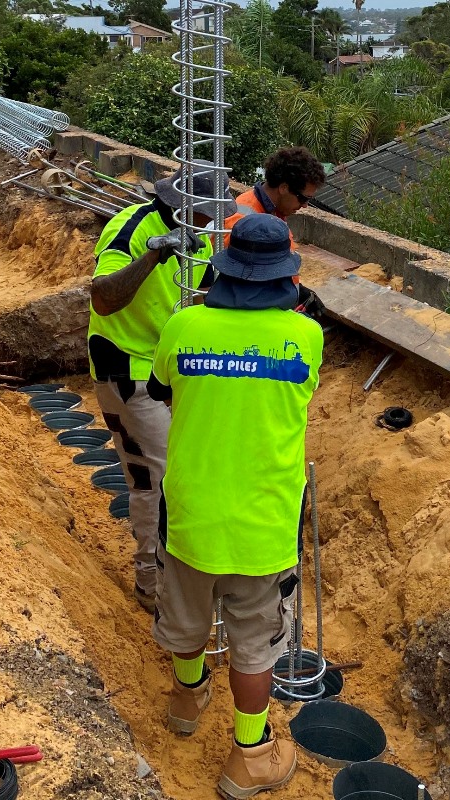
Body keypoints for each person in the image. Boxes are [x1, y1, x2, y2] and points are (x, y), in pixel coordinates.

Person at [147, 214, 324, 799]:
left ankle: (187, 699)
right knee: (254, 643)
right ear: (284, 277)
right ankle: (249, 754)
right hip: (262, 523)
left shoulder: (182, 326)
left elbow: (162, 391)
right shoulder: (304, 338)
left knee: (187, 617)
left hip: (192, 512)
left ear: (224, 267)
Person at [89, 160, 236, 613]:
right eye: (204, 213)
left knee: (181, 476)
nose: (210, 223)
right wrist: (156, 253)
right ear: (177, 203)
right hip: (126, 369)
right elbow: (103, 296)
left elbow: (215, 297)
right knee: (155, 479)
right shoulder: (132, 226)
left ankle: (176, 577)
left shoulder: (203, 243)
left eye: (215, 216)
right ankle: (152, 587)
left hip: (169, 370)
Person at [222, 146, 327, 317]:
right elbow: (241, 281)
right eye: (303, 198)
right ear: (284, 188)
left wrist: (298, 291)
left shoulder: (272, 212)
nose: (305, 206)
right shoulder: (243, 220)